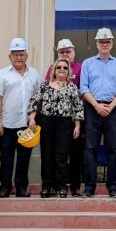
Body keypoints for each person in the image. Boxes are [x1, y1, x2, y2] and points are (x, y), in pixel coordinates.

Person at [80, 27, 116, 198]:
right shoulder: (88, 63)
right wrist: (97, 105)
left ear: (112, 43)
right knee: (90, 148)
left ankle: (113, 187)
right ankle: (89, 187)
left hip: (113, 109)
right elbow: (83, 87)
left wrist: (111, 106)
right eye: (102, 41)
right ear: (97, 44)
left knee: (112, 149)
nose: (104, 44)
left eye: (107, 41)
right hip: (92, 109)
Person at [28, 58, 84, 198]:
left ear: (68, 71)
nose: (62, 69)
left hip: (65, 123)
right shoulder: (45, 85)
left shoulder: (72, 88)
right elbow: (35, 102)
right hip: (46, 122)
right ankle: (47, 186)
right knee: (47, 155)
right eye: (59, 67)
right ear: (54, 70)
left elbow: (78, 107)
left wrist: (77, 126)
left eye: (65, 67)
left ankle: (62, 186)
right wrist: (32, 118)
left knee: (61, 156)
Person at [0, 37, 41, 198]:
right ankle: (5, 187)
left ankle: (22, 188)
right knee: (6, 158)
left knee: (24, 158)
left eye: (21, 54)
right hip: (6, 124)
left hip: (26, 124)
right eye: (15, 54)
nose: (18, 57)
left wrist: (33, 118)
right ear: (10, 56)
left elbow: (37, 99)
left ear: (27, 55)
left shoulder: (34, 74)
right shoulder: (2, 74)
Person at [45, 39, 82, 194]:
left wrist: (78, 122)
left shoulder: (81, 67)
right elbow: (46, 90)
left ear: (73, 52)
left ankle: (75, 186)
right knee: (54, 154)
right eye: (62, 52)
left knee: (75, 153)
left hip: (73, 118)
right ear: (58, 54)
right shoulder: (52, 68)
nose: (65, 54)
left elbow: (82, 91)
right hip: (52, 120)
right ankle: (53, 185)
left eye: (68, 51)